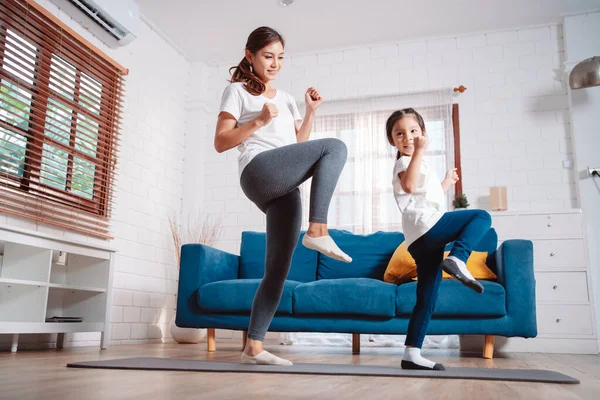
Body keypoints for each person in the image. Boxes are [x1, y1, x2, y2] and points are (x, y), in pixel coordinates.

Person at [215, 26, 351, 366]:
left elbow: (296, 145)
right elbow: (221, 141)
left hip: (282, 181)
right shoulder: (237, 91)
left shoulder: (287, 97)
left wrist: (310, 112)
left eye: (280, 58)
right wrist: (258, 121)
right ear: (250, 55)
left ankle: (254, 347)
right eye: (267, 56)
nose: (274, 63)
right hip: (258, 170)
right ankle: (317, 229)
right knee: (335, 147)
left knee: (277, 268)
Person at [387, 108, 492, 371]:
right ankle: (458, 258)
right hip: (425, 228)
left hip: (420, 238)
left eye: (413, 131)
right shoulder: (404, 162)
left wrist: (444, 183)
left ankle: (412, 353)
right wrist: (419, 152)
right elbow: (409, 186)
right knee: (481, 216)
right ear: (393, 141)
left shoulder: (420, 165)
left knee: (428, 296)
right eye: (399, 134)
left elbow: (423, 196)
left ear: (423, 133)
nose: (407, 138)